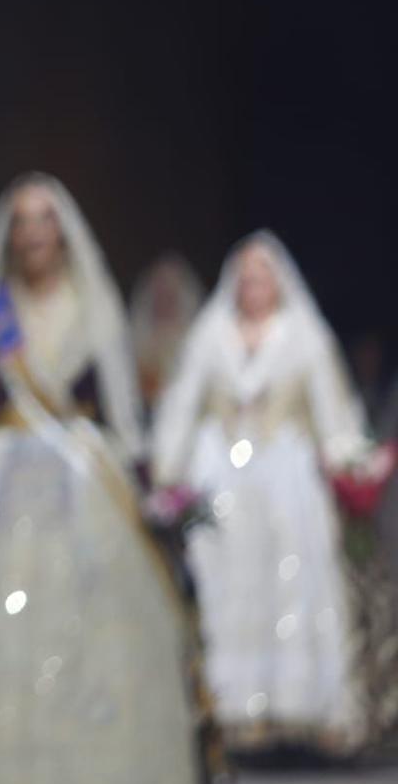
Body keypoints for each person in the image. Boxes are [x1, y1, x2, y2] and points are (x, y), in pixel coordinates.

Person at [0, 177, 231, 784]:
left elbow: (122, 399)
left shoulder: (91, 299)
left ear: (63, 229)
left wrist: (141, 474)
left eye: (46, 218)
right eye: (23, 220)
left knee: (94, 628)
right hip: (0, 472)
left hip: (81, 469)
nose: (35, 231)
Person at [152, 233, 398, 756]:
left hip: (286, 480)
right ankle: (233, 709)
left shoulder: (303, 336)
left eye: (262, 277)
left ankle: (297, 707)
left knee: (292, 583)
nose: (254, 286)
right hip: (224, 476)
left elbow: (332, 409)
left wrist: (352, 460)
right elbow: (183, 403)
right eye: (246, 278)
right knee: (226, 587)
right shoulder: (212, 334)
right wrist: (168, 469)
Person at [131, 253, 204, 420]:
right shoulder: (138, 338)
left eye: (169, 292)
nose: (163, 298)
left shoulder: (197, 340)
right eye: (159, 292)